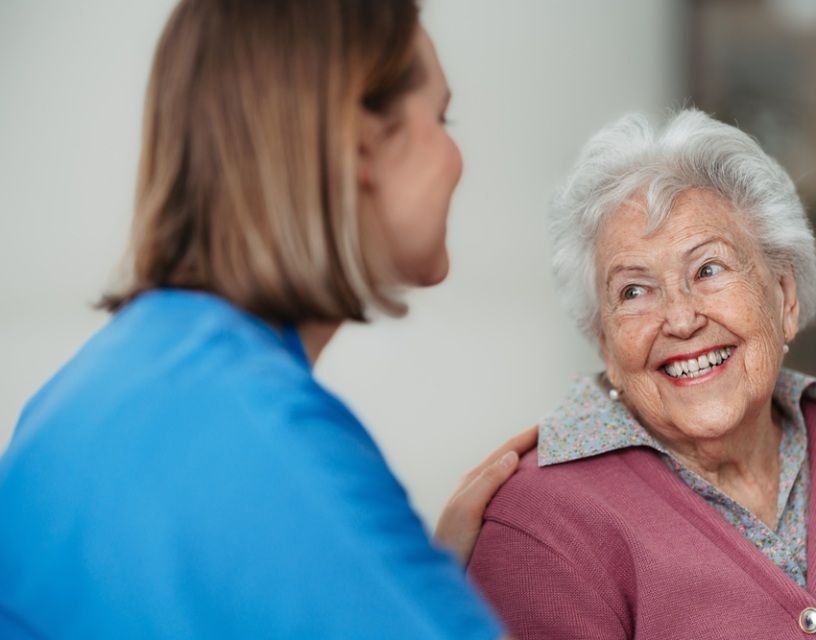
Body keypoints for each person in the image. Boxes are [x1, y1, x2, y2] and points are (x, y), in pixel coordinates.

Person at [0, 1, 532, 638]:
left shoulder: (87, 388)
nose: (456, 156)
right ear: (358, 137)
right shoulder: (263, 433)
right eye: (441, 116)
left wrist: (402, 578)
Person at [468, 109, 816, 639]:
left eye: (708, 269)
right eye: (634, 291)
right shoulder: (541, 524)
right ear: (606, 345)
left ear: (784, 297)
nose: (680, 318)